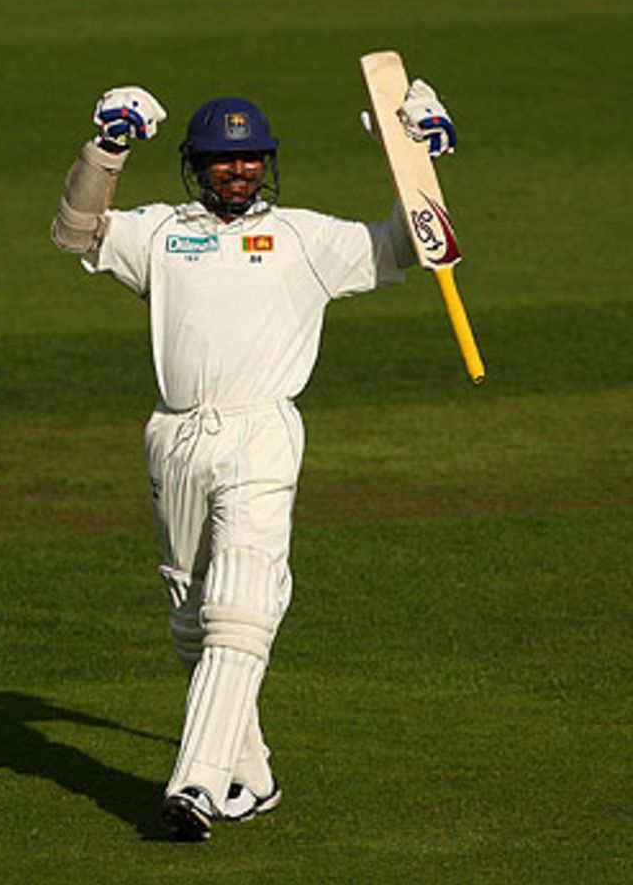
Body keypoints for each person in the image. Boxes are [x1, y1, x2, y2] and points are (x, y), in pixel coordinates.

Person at [49, 79, 456, 841]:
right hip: (175, 435)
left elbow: (415, 243)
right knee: (191, 620)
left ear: (266, 164)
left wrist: (412, 155)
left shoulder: (307, 237)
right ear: (197, 166)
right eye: (220, 160)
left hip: (262, 433)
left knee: (239, 609)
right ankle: (253, 774)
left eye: (250, 160)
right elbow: (74, 233)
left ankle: (193, 789)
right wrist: (105, 149)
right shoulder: (163, 233)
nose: (237, 172)